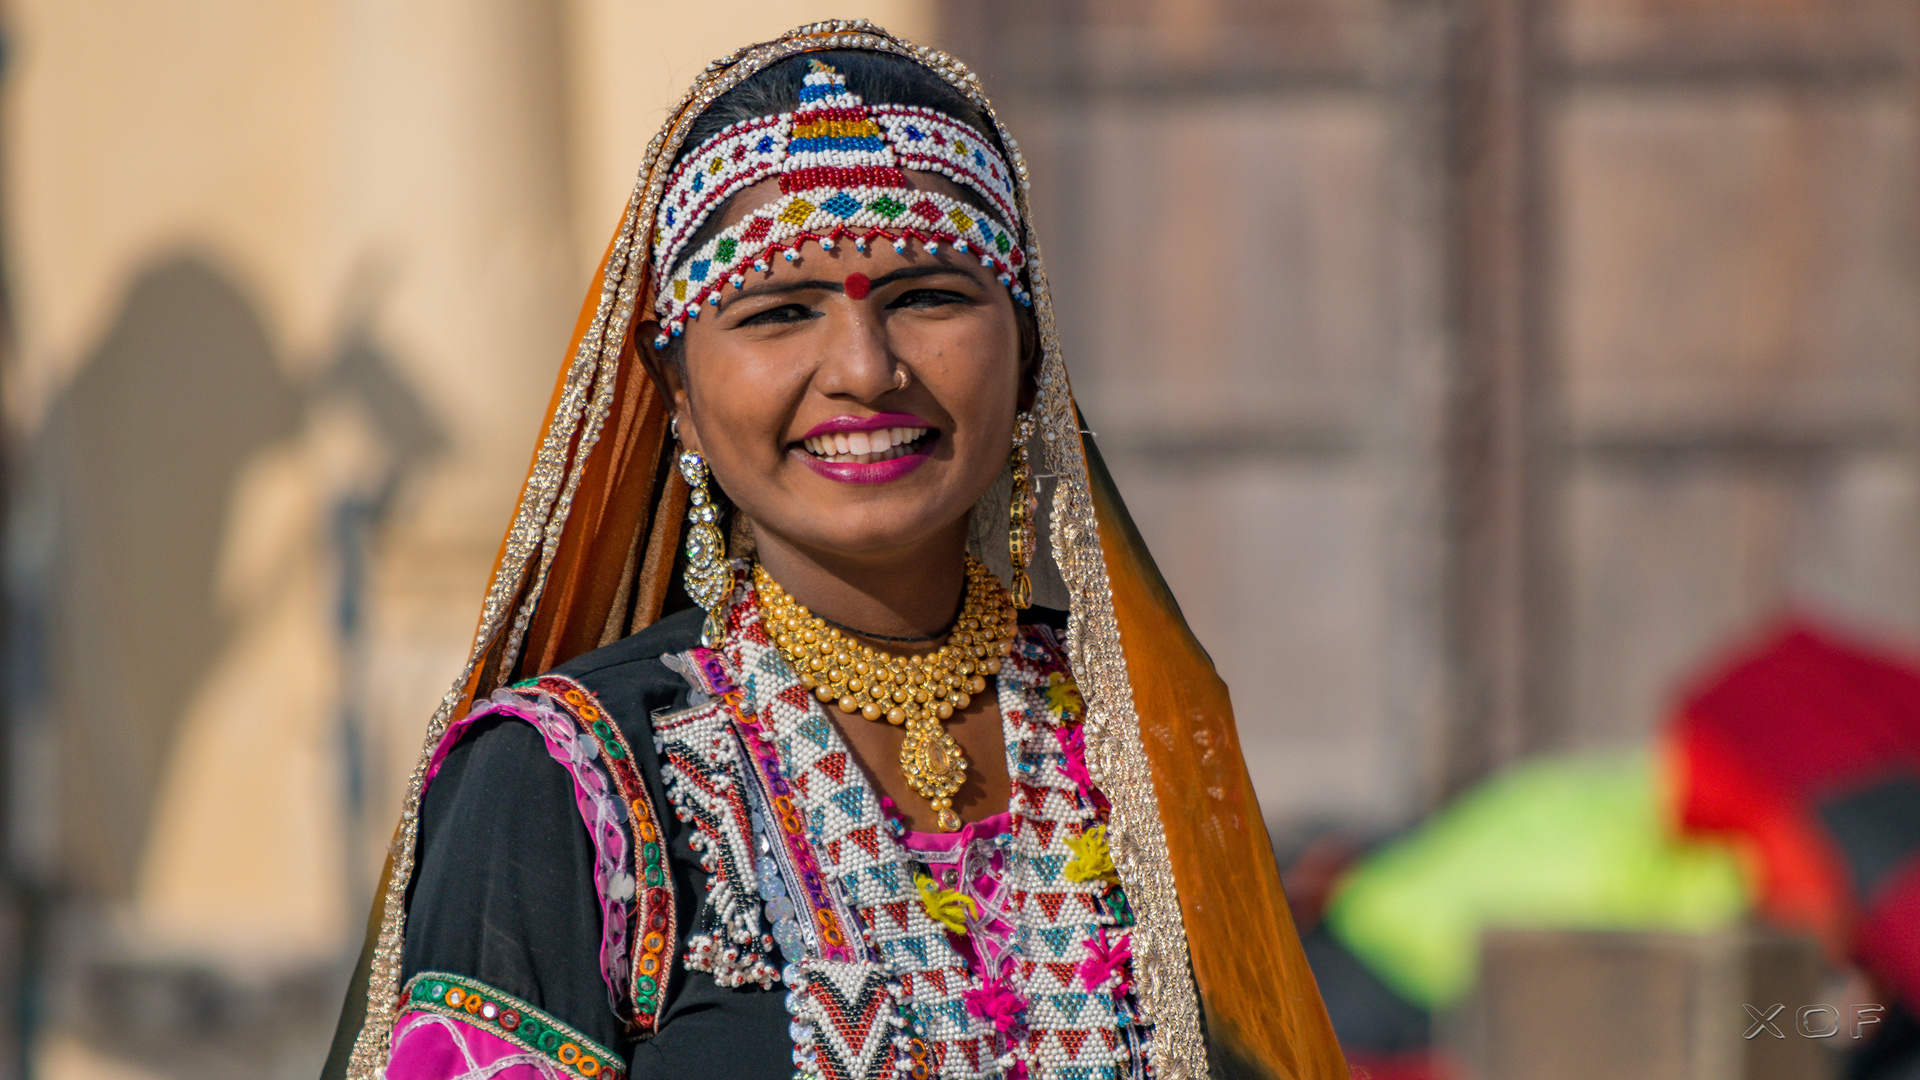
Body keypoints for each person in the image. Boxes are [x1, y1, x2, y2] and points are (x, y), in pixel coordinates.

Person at [324, 22, 1344, 1080]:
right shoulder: (559, 788)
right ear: (677, 396)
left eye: (930, 297)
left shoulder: (1141, 741)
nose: (864, 369)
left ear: (1028, 349)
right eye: (778, 311)